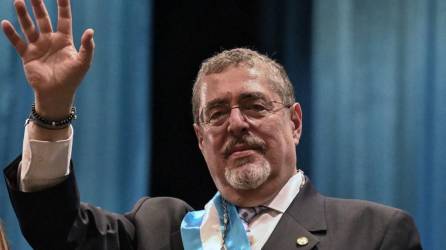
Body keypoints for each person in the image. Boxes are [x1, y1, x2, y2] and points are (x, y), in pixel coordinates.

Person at [1, 0, 422, 249]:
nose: (236, 123)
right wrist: (52, 110)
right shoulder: (159, 230)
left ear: (294, 122)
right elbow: (56, 232)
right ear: (201, 139)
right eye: (217, 114)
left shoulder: (374, 232)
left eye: (255, 106)